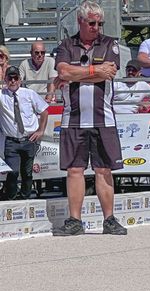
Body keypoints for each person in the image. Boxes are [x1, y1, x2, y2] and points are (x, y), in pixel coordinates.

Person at [53, 0, 127, 236]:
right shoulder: (66, 44)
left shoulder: (109, 44)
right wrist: (95, 71)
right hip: (72, 119)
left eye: (100, 23)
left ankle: (109, 220)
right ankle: (75, 220)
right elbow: (63, 72)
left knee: (103, 169)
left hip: (103, 118)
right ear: (81, 21)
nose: (97, 27)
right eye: (92, 22)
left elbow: (110, 74)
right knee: (74, 170)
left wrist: (76, 75)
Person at [0, 66, 48, 200]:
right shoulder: (1, 95)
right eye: (10, 78)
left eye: (16, 78)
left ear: (20, 80)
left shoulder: (29, 94)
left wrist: (41, 130)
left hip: (29, 139)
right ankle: (11, 196)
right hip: (11, 141)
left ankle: (25, 196)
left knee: (27, 172)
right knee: (13, 172)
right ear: (5, 80)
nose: (13, 81)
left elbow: (44, 111)